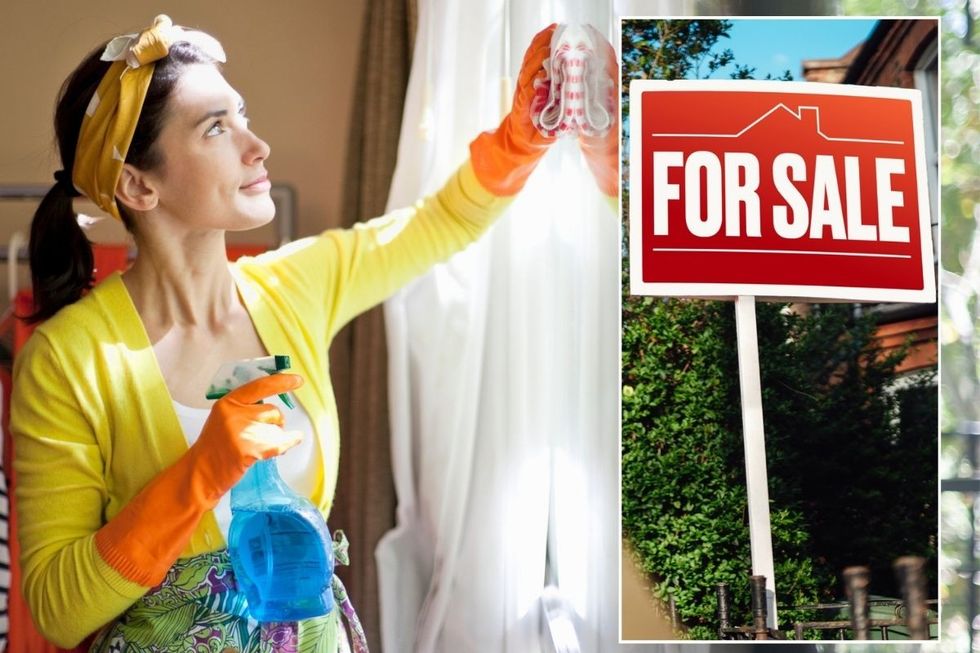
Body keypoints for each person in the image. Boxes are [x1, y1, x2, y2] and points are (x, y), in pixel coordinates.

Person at [10, 14, 617, 652]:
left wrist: (521, 138)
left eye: (241, 114)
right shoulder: (67, 360)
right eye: (216, 128)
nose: (256, 145)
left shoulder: (295, 285)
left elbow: (436, 224)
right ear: (139, 184)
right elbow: (58, 608)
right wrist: (200, 474)